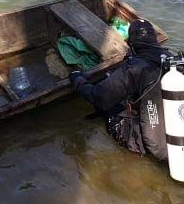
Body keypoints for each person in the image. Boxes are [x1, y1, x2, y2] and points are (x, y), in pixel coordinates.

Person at [69, 19, 170, 161]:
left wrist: (77, 80)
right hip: (175, 136)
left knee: (106, 103)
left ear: (131, 43)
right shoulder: (173, 60)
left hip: (141, 144)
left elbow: (98, 96)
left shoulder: (134, 68)